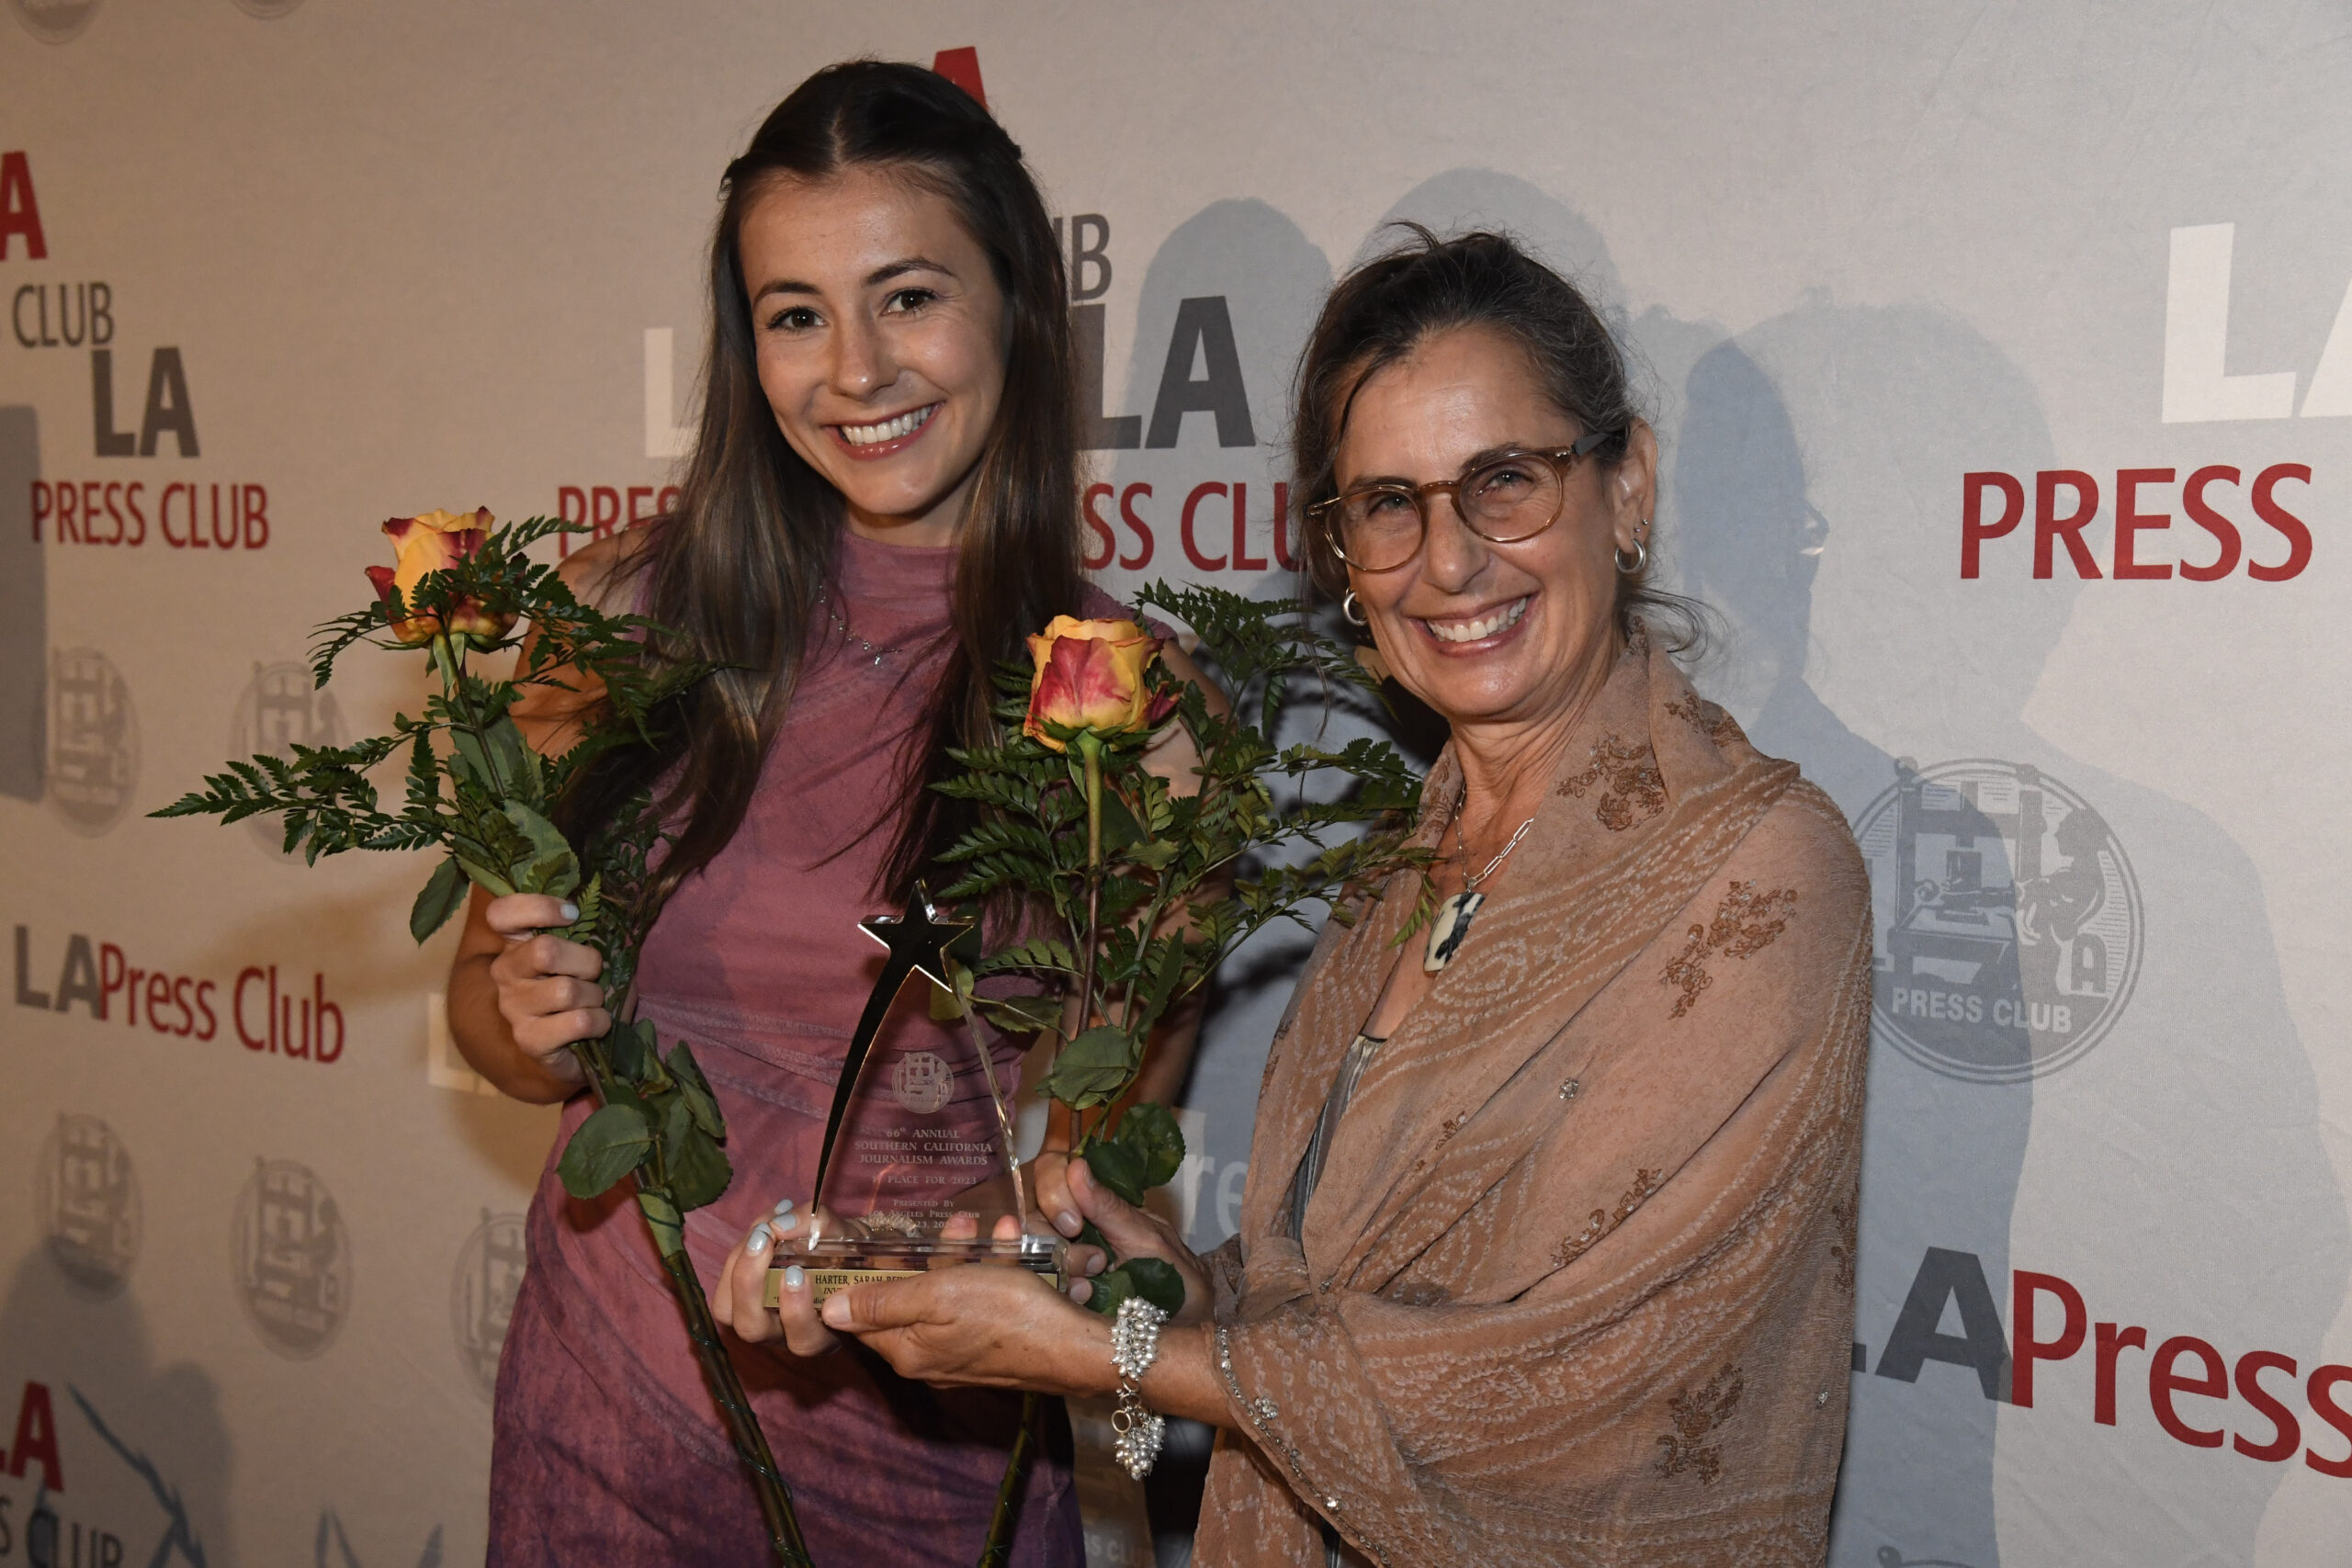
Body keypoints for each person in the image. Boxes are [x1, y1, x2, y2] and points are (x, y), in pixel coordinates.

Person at [771, 230, 1873, 1566]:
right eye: (1388, 505)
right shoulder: (1404, 870)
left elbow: (1571, 1386)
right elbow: (1326, 1312)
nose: (1450, 563)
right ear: (1339, 552)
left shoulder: (1760, 866)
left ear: (1626, 486)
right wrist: (1151, 1299)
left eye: (1505, 482)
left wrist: (1106, 1355)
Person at [445, 61, 1211, 1567]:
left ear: (1020, 310)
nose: (855, 371)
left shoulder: (1130, 703)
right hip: (604, 1423)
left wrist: (907, 1261)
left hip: (929, 1462)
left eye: (908, 296)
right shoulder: (614, 615)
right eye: (797, 314)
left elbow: (1093, 1159)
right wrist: (514, 1007)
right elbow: (487, 1027)